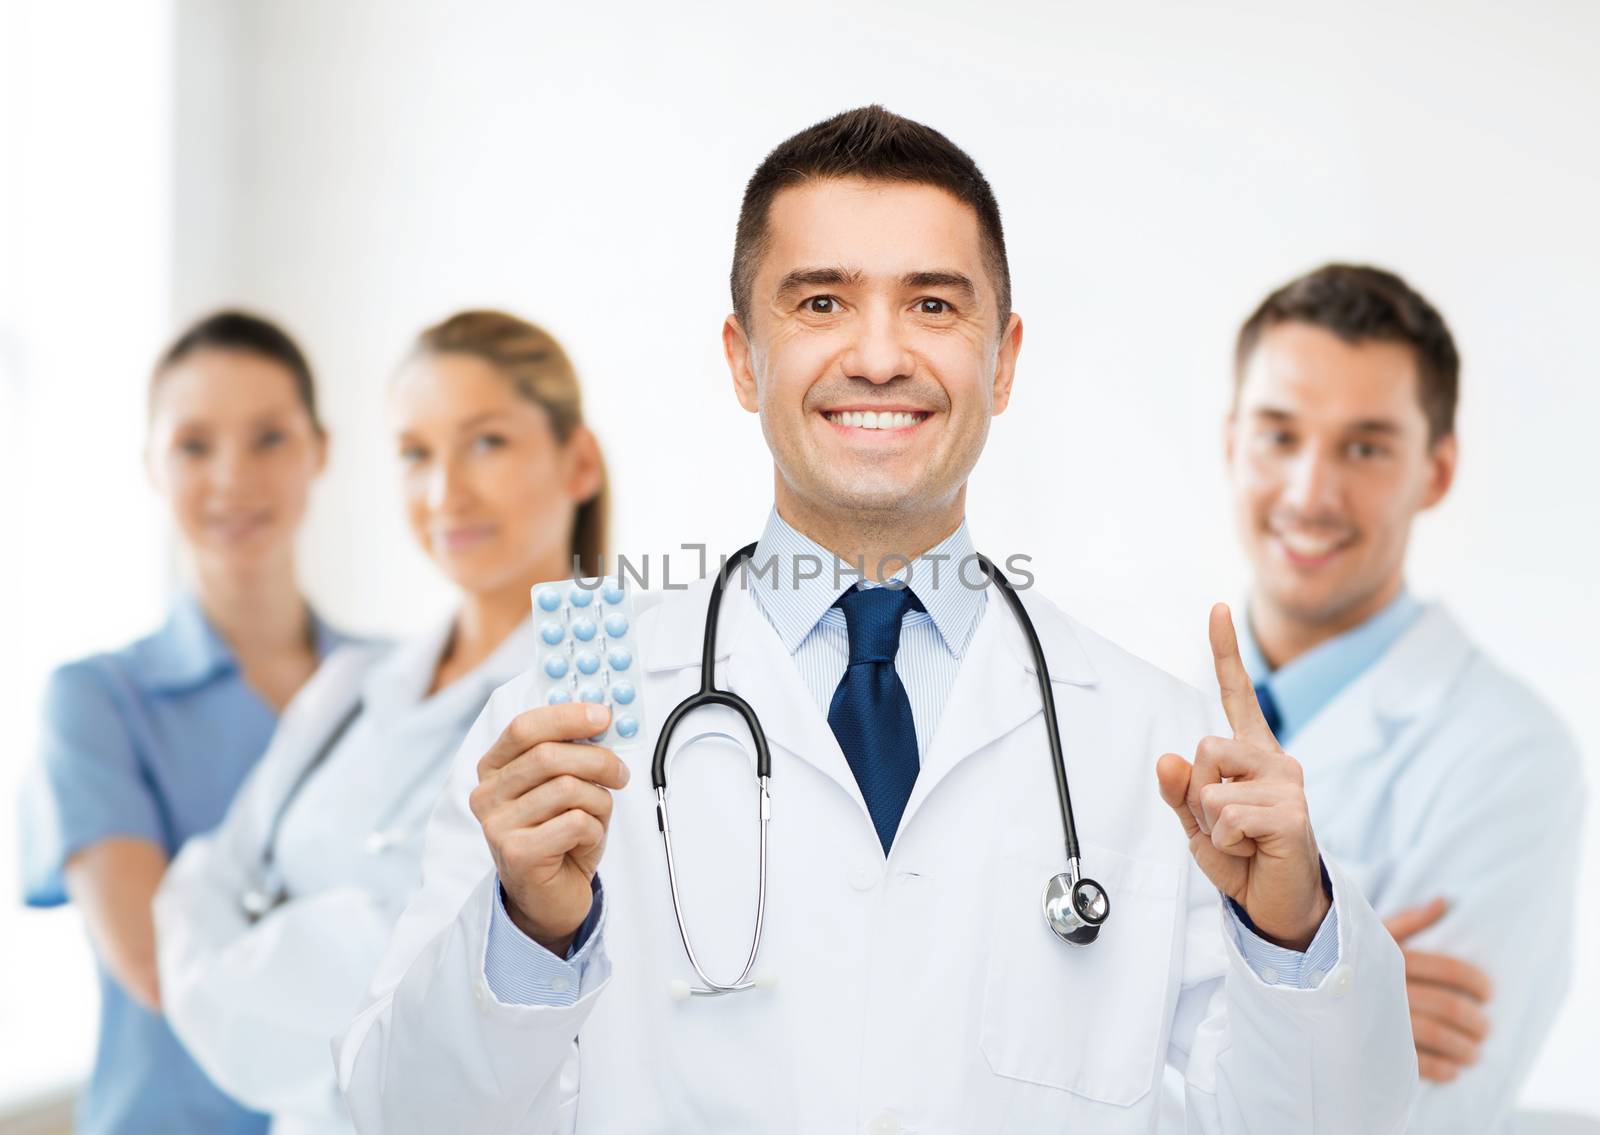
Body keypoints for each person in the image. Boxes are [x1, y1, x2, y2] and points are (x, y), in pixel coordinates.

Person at [337, 107, 1415, 1133]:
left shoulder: (1160, 751)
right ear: (739, 357)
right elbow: (398, 1116)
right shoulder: (565, 730)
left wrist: (1291, 930)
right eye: (820, 303)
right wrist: (524, 931)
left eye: (934, 305)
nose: (879, 355)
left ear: (1002, 360)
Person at [152, 310, 607, 1135]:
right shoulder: (350, 687)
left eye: (487, 443)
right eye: (415, 453)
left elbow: (460, 1001)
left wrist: (263, 945)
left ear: (578, 462)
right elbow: (195, 890)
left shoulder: (605, 701)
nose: (445, 493)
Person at [1216, 264, 1584, 1132]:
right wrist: (1336, 1005)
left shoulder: (1510, 757)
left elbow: (1413, 1118)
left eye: (1366, 446)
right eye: (1279, 435)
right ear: (1231, 440)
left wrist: (1177, 1000)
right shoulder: (1108, 698)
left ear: (1438, 470)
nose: (1310, 493)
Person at [18, 311, 354, 1135]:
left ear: (320, 450)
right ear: (151, 466)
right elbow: (163, 963)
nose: (233, 477)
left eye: (270, 438)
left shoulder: (392, 685)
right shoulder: (96, 701)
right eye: (194, 445)